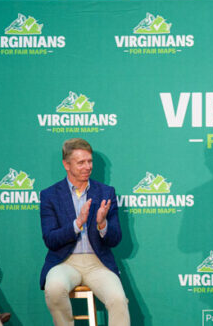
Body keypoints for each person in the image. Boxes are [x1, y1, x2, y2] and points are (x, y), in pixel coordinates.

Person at [41, 138, 129, 326]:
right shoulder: (50, 195)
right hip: (65, 262)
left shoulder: (106, 192)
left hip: (98, 263)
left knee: (118, 299)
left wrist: (102, 224)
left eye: (89, 161)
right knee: (54, 288)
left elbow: (116, 239)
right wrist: (77, 223)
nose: (87, 167)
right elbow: (50, 239)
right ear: (66, 164)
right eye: (81, 162)